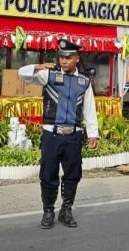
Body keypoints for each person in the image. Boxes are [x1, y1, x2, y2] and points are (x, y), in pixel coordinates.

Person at [18, 39, 99, 229]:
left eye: (69, 57)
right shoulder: (49, 75)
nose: (64, 61)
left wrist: (92, 133)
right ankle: (48, 211)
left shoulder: (84, 82)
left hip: (73, 135)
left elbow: (90, 109)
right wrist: (38, 66)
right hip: (51, 135)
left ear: (77, 59)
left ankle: (66, 210)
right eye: (62, 57)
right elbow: (22, 74)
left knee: (72, 174)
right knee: (48, 173)